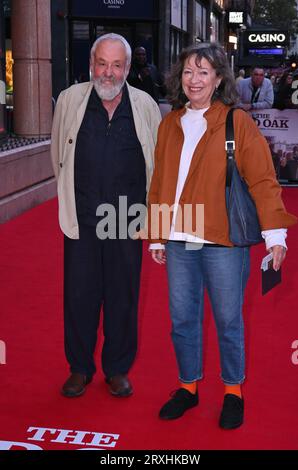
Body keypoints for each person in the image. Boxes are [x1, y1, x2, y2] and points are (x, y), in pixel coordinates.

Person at [147, 44, 297, 429]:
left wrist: (275, 234)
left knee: (229, 320)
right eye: (187, 73)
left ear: (218, 80)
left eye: (203, 73)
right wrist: (159, 236)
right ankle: (188, 387)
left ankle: (233, 391)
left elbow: (263, 179)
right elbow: (161, 181)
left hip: (223, 240)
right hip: (180, 238)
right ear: (179, 79)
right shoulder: (169, 123)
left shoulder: (236, 121)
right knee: (182, 320)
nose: (194, 80)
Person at [51, 33, 161, 399]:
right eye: (102, 63)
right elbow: (57, 156)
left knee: (123, 297)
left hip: (126, 220)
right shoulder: (70, 100)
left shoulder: (145, 105)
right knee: (79, 295)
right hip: (81, 218)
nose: (108, 73)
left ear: (128, 68)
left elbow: (155, 165)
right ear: (91, 65)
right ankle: (79, 368)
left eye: (117, 65)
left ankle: (117, 369)